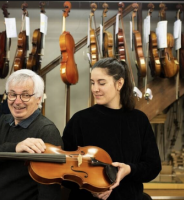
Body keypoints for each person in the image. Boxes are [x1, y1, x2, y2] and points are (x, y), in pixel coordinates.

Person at [62, 58, 161, 200]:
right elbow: (64, 171)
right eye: (92, 83)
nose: (95, 89)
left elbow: (153, 167)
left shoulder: (139, 120)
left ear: (119, 83)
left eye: (101, 83)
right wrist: (91, 187)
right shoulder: (79, 120)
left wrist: (129, 169)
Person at [0, 69, 63, 200]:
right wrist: (16, 148)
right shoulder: (3, 121)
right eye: (12, 94)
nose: (17, 101)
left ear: (38, 99)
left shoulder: (47, 131)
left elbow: (49, 191)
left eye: (25, 95)